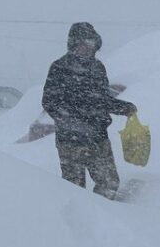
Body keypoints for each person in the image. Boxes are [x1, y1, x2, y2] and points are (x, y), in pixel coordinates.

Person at [41, 22, 136, 199]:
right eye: (81, 44)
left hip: (98, 137)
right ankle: (78, 215)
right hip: (70, 141)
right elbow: (49, 102)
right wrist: (72, 122)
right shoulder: (59, 67)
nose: (86, 48)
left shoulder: (97, 68)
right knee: (73, 188)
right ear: (73, 44)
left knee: (109, 183)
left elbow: (101, 100)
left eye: (90, 44)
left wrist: (123, 107)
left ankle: (105, 212)